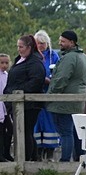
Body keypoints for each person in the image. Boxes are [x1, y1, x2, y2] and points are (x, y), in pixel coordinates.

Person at [46, 30, 86, 163]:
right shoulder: (83, 57)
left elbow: (61, 78)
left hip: (64, 100)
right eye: (60, 41)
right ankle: (79, 159)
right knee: (76, 132)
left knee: (65, 132)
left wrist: (51, 93)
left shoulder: (70, 57)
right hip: (77, 99)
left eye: (63, 41)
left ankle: (65, 160)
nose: (60, 43)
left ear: (72, 42)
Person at [4, 36, 47, 161]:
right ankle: (30, 158)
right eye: (18, 46)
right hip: (17, 101)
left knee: (26, 131)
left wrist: (19, 91)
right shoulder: (22, 60)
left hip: (29, 103)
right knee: (23, 131)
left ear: (29, 47)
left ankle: (27, 159)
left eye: (21, 47)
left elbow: (36, 81)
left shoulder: (35, 62)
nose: (19, 49)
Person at [32, 29, 60, 160]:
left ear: (47, 43)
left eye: (42, 43)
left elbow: (58, 73)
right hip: (36, 93)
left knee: (49, 123)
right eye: (38, 43)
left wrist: (50, 79)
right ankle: (37, 150)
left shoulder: (53, 56)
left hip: (49, 93)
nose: (40, 46)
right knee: (37, 122)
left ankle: (50, 152)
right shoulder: (32, 56)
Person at [0, 53, 10, 161]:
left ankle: (6, 153)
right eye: (2, 63)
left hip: (5, 107)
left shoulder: (6, 75)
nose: (4, 65)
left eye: (6, 63)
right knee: (2, 131)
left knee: (9, 130)